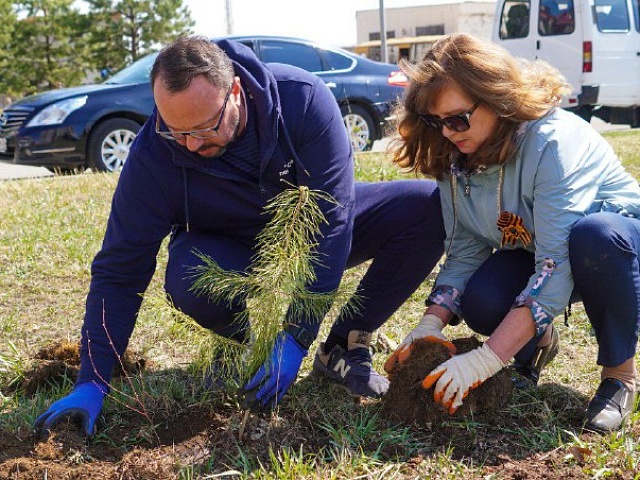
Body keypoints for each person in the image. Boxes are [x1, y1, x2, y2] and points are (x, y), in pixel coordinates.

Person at [33, 36, 445, 437]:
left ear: (234, 91)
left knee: (428, 207)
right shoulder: (152, 159)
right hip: (231, 248)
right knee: (188, 274)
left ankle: (342, 345)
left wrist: (297, 336)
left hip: (309, 227)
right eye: (175, 131)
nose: (190, 145)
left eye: (205, 127)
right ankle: (245, 346)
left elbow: (331, 221)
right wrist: (91, 381)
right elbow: (119, 272)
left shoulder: (300, 100)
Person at [384, 32, 640, 434]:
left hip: (614, 242)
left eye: (456, 119)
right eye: (437, 122)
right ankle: (537, 342)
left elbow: (555, 266)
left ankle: (619, 377)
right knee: (482, 300)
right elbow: (465, 250)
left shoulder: (550, 144)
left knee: (596, 236)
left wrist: (487, 358)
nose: (448, 132)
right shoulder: (458, 155)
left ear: (494, 96)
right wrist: (430, 325)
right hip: (540, 247)